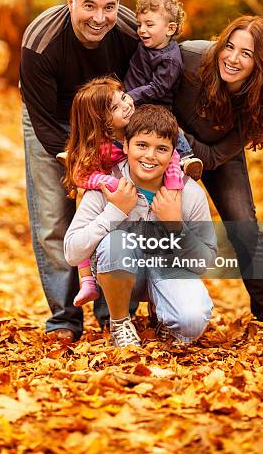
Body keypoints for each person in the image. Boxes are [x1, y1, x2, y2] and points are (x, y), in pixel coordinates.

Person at [20, 0, 139, 343]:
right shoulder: (40, 42)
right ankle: (64, 318)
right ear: (69, 1)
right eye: (89, 6)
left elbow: (140, 92)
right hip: (52, 122)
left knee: (115, 212)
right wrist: (82, 170)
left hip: (110, 124)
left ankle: (113, 312)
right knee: (54, 219)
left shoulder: (128, 32)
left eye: (109, 7)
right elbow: (41, 123)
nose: (100, 17)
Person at [64, 105, 216, 348]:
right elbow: (72, 252)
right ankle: (120, 322)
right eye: (142, 145)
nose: (150, 156)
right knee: (115, 242)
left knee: (191, 321)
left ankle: (164, 317)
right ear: (125, 146)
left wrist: (176, 226)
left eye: (162, 149)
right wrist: (114, 212)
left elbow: (205, 261)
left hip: (167, 268)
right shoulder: (107, 184)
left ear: (173, 154)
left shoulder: (189, 192)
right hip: (120, 268)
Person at [174, 16, 263, 323]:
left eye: (246, 54)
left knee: (245, 228)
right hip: (166, 151)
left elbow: (210, 159)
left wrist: (183, 137)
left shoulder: (258, 101)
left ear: (259, 64)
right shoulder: (189, 57)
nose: (233, 58)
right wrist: (172, 138)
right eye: (230, 47)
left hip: (221, 157)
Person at [63, 76, 185, 306]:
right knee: (84, 206)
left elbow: (171, 153)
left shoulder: (139, 124)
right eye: (116, 108)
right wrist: (107, 183)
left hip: (139, 197)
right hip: (113, 197)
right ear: (103, 120)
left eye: (124, 98)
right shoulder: (100, 145)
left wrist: (173, 189)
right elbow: (80, 176)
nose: (127, 105)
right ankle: (87, 278)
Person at [124, 0, 203, 180]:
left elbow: (158, 87)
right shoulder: (147, 43)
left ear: (170, 29)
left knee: (167, 127)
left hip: (155, 105)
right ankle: (81, 154)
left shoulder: (170, 59)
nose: (142, 30)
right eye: (140, 24)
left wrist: (131, 96)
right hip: (130, 99)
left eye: (149, 24)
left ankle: (186, 159)